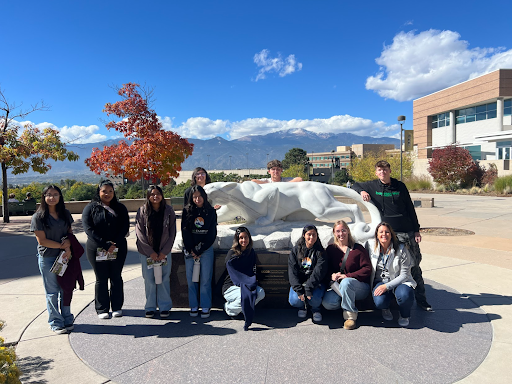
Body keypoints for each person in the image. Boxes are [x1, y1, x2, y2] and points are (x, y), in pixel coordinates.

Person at [352, 159, 431, 311]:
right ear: (376, 173)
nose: (383, 172)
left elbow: (410, 208)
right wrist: (361, 191)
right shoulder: (373, 186)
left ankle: (421, 300)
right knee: (387, 267)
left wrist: (416, 230)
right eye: (380, 170)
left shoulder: (399, 186)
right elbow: (355, 184)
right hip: (387, 235)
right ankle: (391, 297)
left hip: (406, 232)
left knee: (414, 266)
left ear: (389, 171)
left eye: (385, 169)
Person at [82, 180, 130, 319]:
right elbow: (88, 229)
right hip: (96, 248)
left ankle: (117, 307)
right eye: (104, 191)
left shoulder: (120, 208)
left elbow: (125, 227)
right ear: (99, 192)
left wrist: (114, 243)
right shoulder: (90, 208)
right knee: (101, 278)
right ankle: (102, 308)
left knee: (116, 276)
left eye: (110, 191)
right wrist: (104, 244)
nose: (107, 194)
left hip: (118, 247)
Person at [30, 185, 74, 334]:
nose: (52, 197)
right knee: (52, 291)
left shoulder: (65, 213)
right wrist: (62, 246)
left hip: (64, 258)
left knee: (66, 289)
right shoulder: (38, 217)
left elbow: (70, 233)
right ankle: (56, 322)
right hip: (48, 258)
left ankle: (67, 318)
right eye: (49, 194)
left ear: (60, 197)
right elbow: (41, 241)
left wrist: (68, 246)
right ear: (44, 197)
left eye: (55, 194)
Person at [136, 185, 177, 319]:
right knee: (149, 280)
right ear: (148, 196)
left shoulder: (169, 211)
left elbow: (172, 233)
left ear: (162, 195)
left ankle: (164, 307)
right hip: (147, 253)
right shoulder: (142, 211)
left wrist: (164, 252)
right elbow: (139, 233)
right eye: (152, 194)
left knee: (164, 279)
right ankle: (150, 307)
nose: (155, 196)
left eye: (158, 193)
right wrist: (150, 252)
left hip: (164, 253)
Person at [322, 220, 371, 330]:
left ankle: (350, 317)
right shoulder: (331, 249)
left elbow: (367, 269)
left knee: (346, 282)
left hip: (360, 287)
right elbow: (325, 269)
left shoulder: (358, 249)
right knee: (328, 303)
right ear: (334, 233)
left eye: (343, 230)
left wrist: (348, 275)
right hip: (338, 287)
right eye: (338, 231)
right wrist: (332, 275)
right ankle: (347, 301)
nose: (341, 234)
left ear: (348, 231)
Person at [367, 222, 416, 327]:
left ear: (391, 234)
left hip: (400, 281)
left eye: (387, 232)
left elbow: (404, 275)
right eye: (381, 232)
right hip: (380, 280)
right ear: (376, 235)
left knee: (405, 295)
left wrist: (386, 286)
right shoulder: (371, 246)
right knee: (379, 301)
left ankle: (404, 315)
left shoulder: (402, 249)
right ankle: (385, 308)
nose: (384, 234)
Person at [181, 185, 217, 318]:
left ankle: (206, 306)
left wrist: (201, 248)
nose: (197, 199)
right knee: (191, 280)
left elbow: (212, 233)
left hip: (206, 250)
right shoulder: (187, 211)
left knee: (205, 279)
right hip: (190, 250)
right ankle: (194, 306)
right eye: (194, 197)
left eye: (199, 196)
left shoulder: (211, 211)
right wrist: (192, 249)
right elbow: (185, 231)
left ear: (204, 196)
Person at [222, 227, 265, 330]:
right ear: (237, 239)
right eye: (241, 238)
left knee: (260, 293)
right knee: (245, 296)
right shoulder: (232, 254)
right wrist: (247, 282)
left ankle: (241, 309)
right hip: (232, 286)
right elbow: (235, 275)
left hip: (247, 284)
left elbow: (253, 270)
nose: (244, 240)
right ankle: (229, 309)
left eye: (246, 237)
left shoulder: (251, 252)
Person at [288, 224, 327, 322]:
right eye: (309, 234)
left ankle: (315, 309)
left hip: (315, 283)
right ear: (304, 235)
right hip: (300, 282)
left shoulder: (321, 252)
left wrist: (308, 288)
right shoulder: (295, 250)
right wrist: (298, 289)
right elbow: (292, 271)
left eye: (314, 235)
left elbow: (319, 272)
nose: (311, 237)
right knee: (294, 300)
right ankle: (302, 307)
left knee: (314, 299)